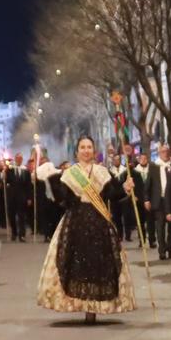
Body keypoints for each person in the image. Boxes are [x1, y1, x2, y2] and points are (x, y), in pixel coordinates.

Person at [36, 134, 137, 323]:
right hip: (75, 222)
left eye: (89, 147)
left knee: (99, 264)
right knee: (75, 264)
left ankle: (94, 307)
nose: (86, 150)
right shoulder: (70, 173)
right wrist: (50, 178)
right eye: (82, 147)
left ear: (94, 150)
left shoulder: (102, 172)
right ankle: (80, 304)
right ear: (77, 152)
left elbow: (113, 194)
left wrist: (126, 188)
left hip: (99, 222)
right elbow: (63, 200)